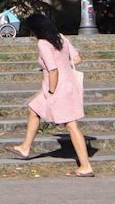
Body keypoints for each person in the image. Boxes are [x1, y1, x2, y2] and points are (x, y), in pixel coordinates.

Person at [11, 12, 94, 177]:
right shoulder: (60, 37)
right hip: (69, 84)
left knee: (71, 125)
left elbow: (53, 70)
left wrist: (50, 91)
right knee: (33, 109)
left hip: (57, 88)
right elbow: (77, 59)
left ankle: (85, 166)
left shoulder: (43, 43)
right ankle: (25, 147)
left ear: (35, 30)